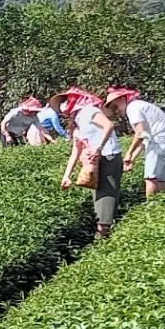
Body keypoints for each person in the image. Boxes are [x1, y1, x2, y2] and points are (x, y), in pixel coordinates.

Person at [54, 88, 123, 238]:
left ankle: (103, 235)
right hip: (93, 163)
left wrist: (98, 148)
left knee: (106, 195)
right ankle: (104, 233)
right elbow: (75, 151)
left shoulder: (88, 111)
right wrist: (66, 176)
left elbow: (108, 126)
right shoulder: (76, 121)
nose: (63, 106)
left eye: (65, 101)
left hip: (108, 156)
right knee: (98, 197)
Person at [109, 87, 165, 197]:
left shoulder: (132, 108)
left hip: (158, 144)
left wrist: (128, 153)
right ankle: (162, 207)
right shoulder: (141, 105)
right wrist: (132, 158)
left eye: (116, 106)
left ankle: (150, 210)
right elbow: (145, 138)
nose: (116, 111)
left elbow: (140, 133)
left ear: (123, 99)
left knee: (150, 178)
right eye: (113, 109)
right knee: (161, 179)